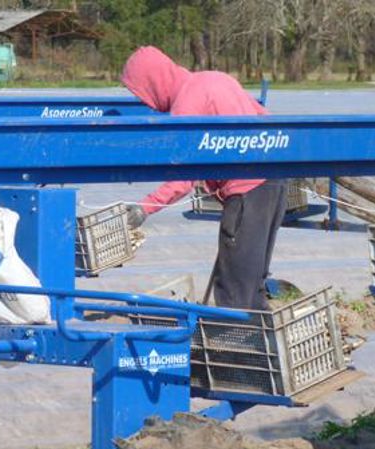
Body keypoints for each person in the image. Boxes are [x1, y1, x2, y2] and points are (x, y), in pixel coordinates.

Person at [120, 45, 287, 310]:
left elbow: (183, 178)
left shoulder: (186, 105)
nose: (146, 103)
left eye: (143, 94)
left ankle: (236, 349)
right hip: (274, 185)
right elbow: (264, 117)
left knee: (234, 292)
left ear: (154, 82)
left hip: (247, 194)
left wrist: (145, 208)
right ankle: (264, 348)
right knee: (251, 282)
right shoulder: (215, 79)